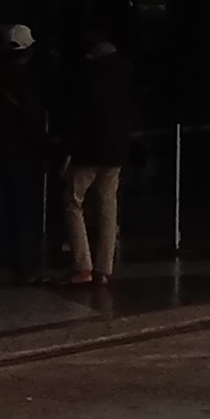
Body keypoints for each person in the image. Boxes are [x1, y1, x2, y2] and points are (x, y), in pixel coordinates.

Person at [0, 20, 51, 287]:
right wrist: (44, 148)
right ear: (28, 51)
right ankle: (25, 267)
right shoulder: (31, 81)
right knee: (25, 212)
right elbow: (34, 122)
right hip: (25, 157)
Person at [60, 24, 143, 287]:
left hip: (87, 149)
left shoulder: (85, 71)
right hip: (117, 148)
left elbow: (75, 114)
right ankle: (105, 268)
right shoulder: (125, 68)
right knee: (109, 206)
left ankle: (83, 265)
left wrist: (67, 150)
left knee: (73, 202)